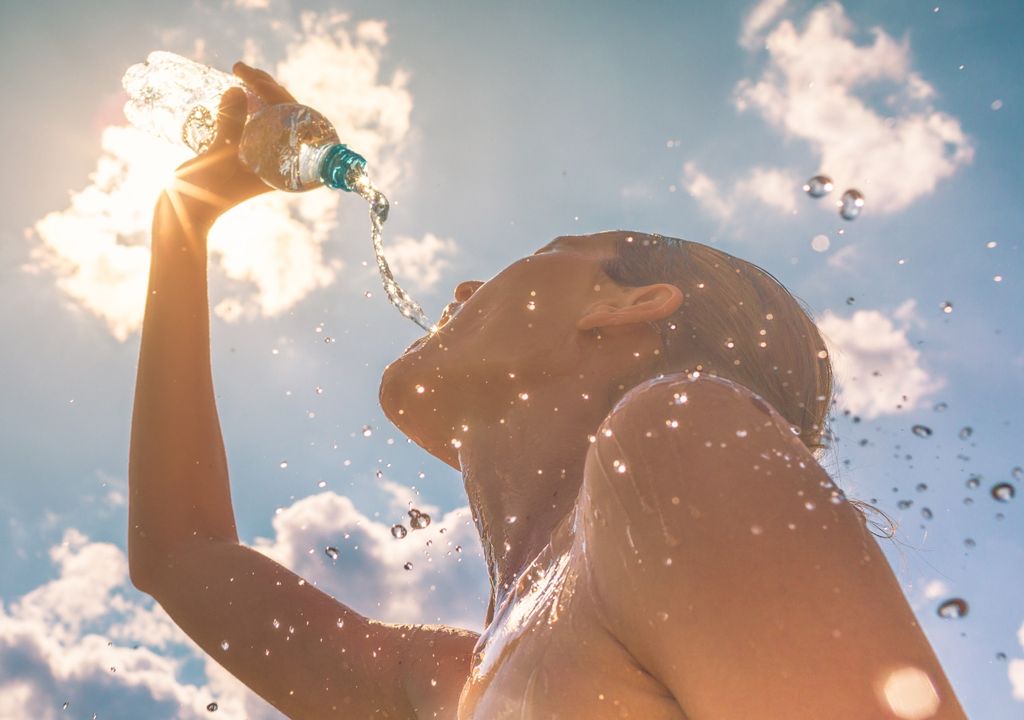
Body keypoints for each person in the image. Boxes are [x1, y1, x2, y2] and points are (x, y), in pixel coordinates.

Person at [128, 62, 968, 720]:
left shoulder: (677, 438)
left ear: (630, 305)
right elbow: (183, 556)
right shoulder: (464, 677)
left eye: (549, 247)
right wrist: (184, 221)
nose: (462, 287)